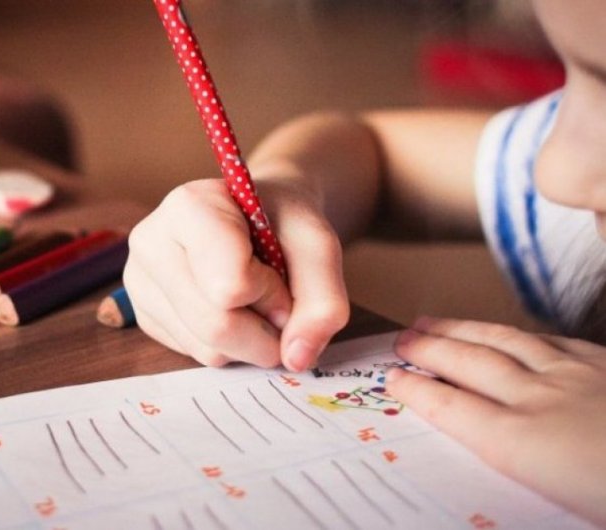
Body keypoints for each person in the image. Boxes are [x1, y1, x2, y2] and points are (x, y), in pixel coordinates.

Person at [123, 0, 606, 525]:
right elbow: (371, 150)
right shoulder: (577, 187)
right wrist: (286, 189)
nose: (552, 174)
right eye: (571, 80)